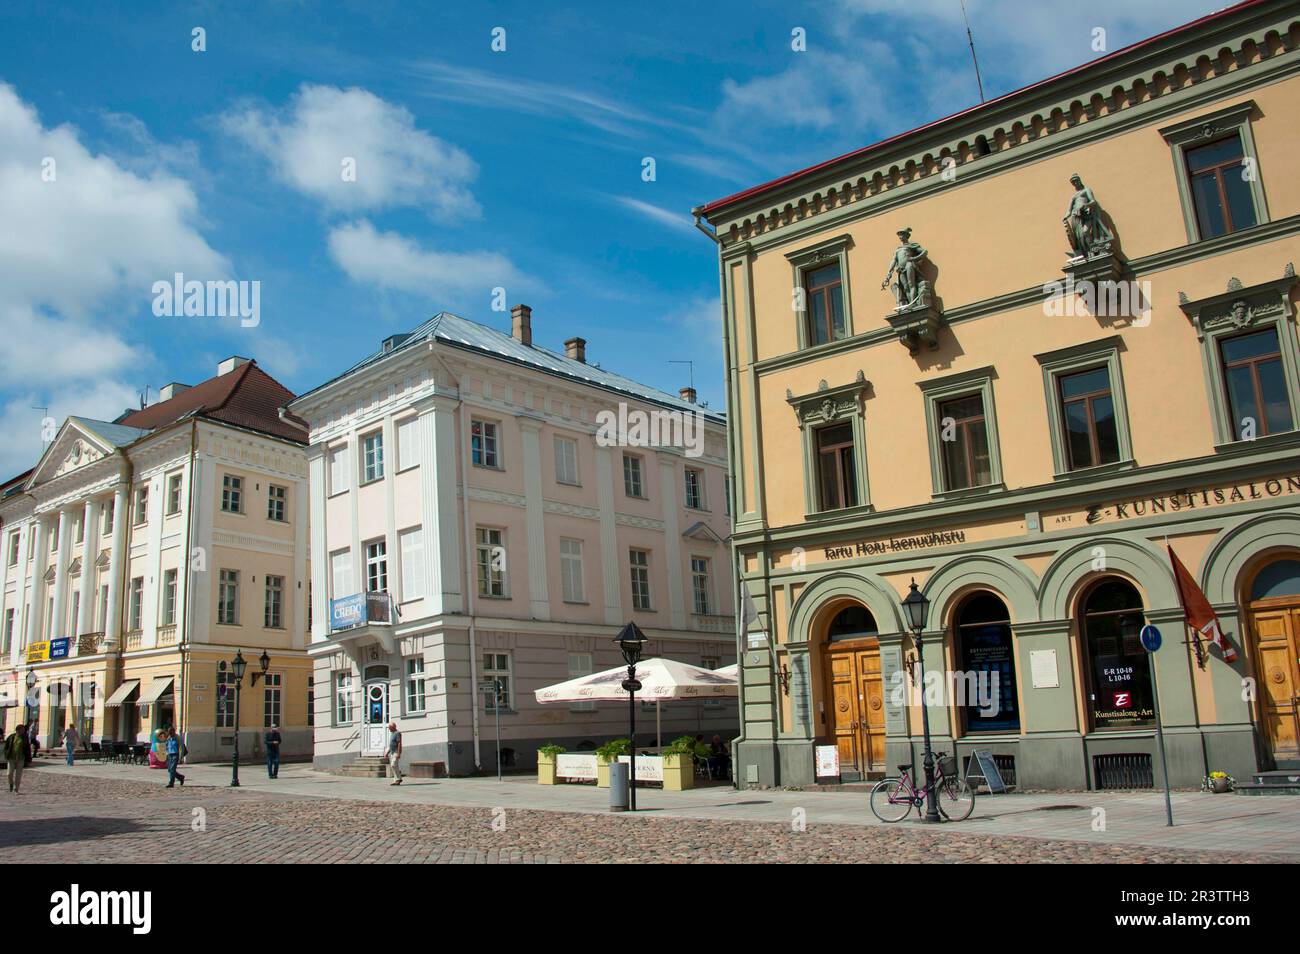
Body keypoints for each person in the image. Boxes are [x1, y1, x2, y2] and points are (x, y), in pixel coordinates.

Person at [5, 724, 30, 794]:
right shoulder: (11, 737)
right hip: (11, 758)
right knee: (9, 774)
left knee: (18, 775)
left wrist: (28, 759)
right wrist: (6, 754)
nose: (23, 731)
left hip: (20, 758)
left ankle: (16, 789)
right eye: (22, 729)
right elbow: (6, 746)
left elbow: (28, 748)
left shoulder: (25, 738)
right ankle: (11, 784)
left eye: (24, 730)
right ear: (18, 730)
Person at [386, 721, 403, 786]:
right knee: (393, 766)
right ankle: (396, 779)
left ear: (393, 727)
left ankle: (398, 779)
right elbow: (391, 744)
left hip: (396, 751)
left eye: (390, 728)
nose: (389, 729)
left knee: (393, 764)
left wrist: (399, 753)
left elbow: (399, 743)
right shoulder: (392, 733)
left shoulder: (397, 733)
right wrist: (387, 752)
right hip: (392, 752)